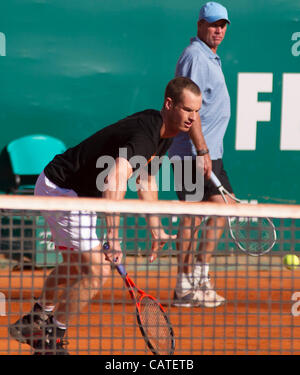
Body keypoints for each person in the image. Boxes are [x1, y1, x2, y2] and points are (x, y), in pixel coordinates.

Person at [8, 76, 202, 355]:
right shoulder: (145, 135)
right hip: (63, 190)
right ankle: (51, 337)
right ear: (169, 104)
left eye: (196, 111)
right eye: (187, 110)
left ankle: (35, 319)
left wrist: (156, 228)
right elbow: (115, 178)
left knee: (76, 266)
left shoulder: (163, 134)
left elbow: (145, 180)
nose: (192, 118)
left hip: (71, 191)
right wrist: (114, 236)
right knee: (97, 271)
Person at [168, 2, 235, 308]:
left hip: (207, 151)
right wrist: (201, 150)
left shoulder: (209, 56)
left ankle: (198, 276)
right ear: (199, 25)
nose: (218, 30)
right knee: (193, 215)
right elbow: (189, 108)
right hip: (193, 152)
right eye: (212, 24)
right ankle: (186, 284)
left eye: (222, 25)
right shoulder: (196, 56)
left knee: (221, 206)